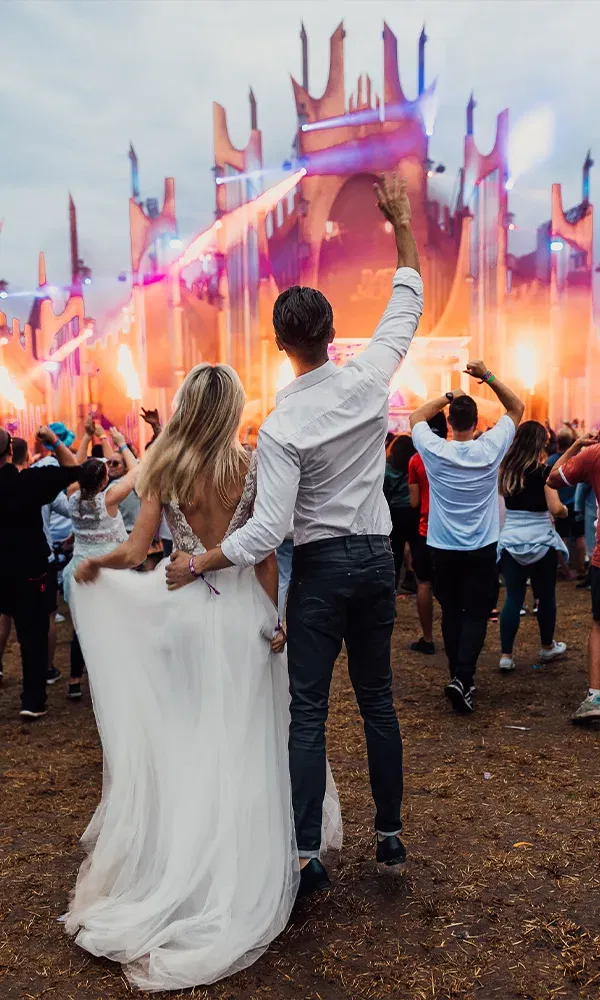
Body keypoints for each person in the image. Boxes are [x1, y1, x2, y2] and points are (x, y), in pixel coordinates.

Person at [168, 171, 423, 892]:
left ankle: (307, 852)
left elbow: (267, 532)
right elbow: (408, 297)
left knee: (306, 712)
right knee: (378, 701)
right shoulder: (370, 377)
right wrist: (399, 218)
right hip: (376, 560)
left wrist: (199, 563)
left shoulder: (281, 428)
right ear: (332, 334)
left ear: (282, 344)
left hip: (321, 569)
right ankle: (390, 838)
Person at [63, 363, 319, 990]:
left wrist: (96, 568)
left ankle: (182, 853)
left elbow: (135, 550)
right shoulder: (250, 465)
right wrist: (274, 614)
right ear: (232, 408)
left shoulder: (165, 467)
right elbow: (258, 553)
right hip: (241, 615)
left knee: (188, 732)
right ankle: (239, 856)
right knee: (246, 734)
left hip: (183, 613)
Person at [410, 363, 524, 713]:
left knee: (451, 611)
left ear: (448, 423)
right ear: (476, 424)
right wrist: (487, 376)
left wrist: (449, 395)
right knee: (476, 612)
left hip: (442, 546)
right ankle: (463, 677)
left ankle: (460, 678)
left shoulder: (434, 450)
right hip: (480, 546)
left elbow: (416, 415)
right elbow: (517, 408)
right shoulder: (489, 448)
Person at [0, 425, 80, 718]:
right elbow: (74, 470)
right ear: (10, 451)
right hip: (29, 571)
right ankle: (32, 701)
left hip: (4, 572)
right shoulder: (27, 482)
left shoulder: (28, 480)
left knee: (14, 627)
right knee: (32, 634)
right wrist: (54, 442)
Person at [62, 454, 136, 699]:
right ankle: (109, 679)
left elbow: (70, 463)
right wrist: (121, 443)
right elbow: (136, 471)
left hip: (79, 572)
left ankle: (75, 680)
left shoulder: (72, 497)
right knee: (113, 627)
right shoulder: (110, 498)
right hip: (108, 572)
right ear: (104, 481)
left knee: (82, 628)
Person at [497, 421, 569, 671]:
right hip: (541, 540)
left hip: (512, 540)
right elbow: (556, 508)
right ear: (539, 444)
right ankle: (547, 647)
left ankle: (506, 655)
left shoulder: (506, 471)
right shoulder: (544, 473)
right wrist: (565, 511)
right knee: (545, 596)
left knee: (513, 598)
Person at [547, 433, 600, 722]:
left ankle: (595, 696)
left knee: (599, 626)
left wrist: (575, 447)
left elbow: (553, 478)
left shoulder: (594, 454)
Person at [407, 411, 448, 655]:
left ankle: (428, 638)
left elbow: (413, 501)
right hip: (450, 530)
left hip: (425, 528)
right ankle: (455, 634)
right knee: (451, 585)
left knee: (424, 583)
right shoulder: (452, 452)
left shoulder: (416, 459)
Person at [546, 428, 586, 578]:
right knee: (579, 536)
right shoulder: (577, 458)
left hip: (560, 504)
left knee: (561, 537)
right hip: (575, 505)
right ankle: (580, 567)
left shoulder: (551, 461)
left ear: (557, 443)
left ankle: (564, 569)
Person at [383, 434, 418, 589]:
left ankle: (393, 591)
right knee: (416, 550)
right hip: (412, 513)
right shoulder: (414, 466)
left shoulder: (387, 468)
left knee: (395, 556)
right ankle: (418, 580)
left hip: (394, 515)